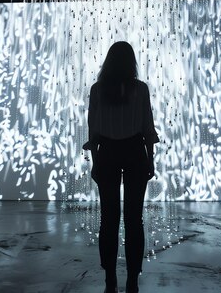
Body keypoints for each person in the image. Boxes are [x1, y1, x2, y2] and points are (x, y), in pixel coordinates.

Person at [83, 41, 159, 293]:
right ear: (131, 62)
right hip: (135, 152)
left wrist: (95, 162)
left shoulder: (98, 90)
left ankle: (110, 279)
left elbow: (93, 130)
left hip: (107, 153)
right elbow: (147, 128)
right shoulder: (140, 89)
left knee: (109, 219)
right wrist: (151, 159)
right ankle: (133, 281)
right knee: (134, 219)